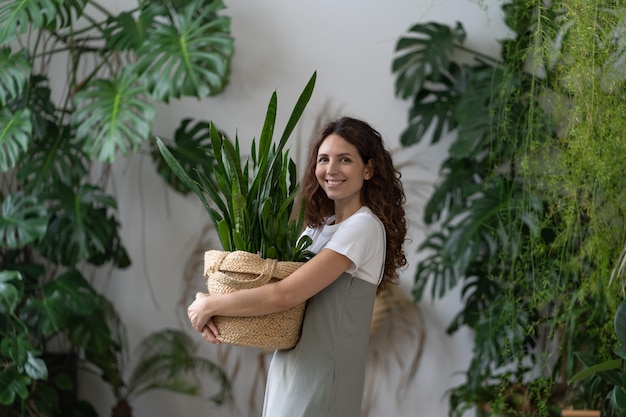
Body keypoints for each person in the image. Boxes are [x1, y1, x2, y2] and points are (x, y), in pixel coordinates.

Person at [188, 116, 407, 417]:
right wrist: (212, 304)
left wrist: (212, 305)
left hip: (324, 377)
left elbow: (285, 295)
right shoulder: (318, 230)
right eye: (323, 159)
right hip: (291, 369)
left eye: (345, 160)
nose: (331, 169)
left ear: (368, 169)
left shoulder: (364, 227)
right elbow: (266, 289)